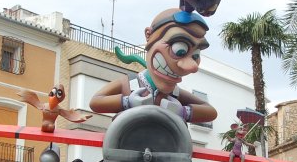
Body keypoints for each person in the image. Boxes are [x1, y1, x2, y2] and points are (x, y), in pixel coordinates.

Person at [89, 7, 218, 126]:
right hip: (128, 145)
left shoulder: (174, 94)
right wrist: (127, 102)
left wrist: (184, 111)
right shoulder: (130, 84)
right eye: (179, 50)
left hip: (168, 147)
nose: (192, 66)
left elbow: (211, 112)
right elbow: (95, 102)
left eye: (195, 56)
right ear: (149, 36)